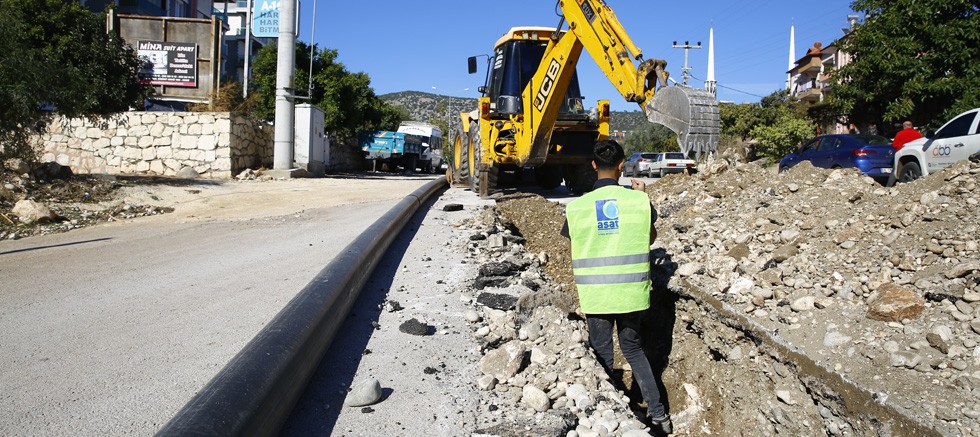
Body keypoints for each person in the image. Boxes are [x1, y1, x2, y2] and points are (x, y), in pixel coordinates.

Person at [561, 140, 672, 436]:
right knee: (634, 350)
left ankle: (608, 415)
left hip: (596, 293)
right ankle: (659, 417)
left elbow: (576, 243)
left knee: (602, 353)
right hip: (631, 293)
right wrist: (642, 198)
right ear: (622, 165)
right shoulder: (638, 201)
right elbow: (648, 238)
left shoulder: (577, 207)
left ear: (594, 166)